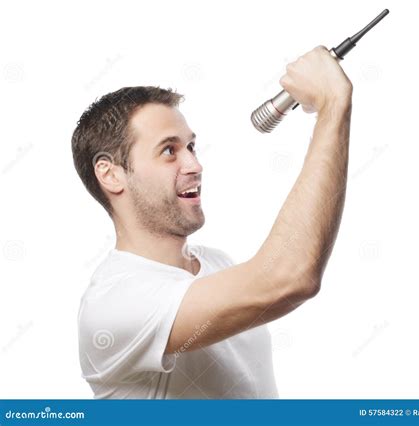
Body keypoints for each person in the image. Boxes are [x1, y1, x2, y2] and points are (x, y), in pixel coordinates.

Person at [72, 45, 353, 399]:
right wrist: (332, 108)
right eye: (169, 151)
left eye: (191, 147)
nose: (194, 165)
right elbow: (290, 276)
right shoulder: (114, 302)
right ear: (111, 175)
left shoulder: (215, 263)